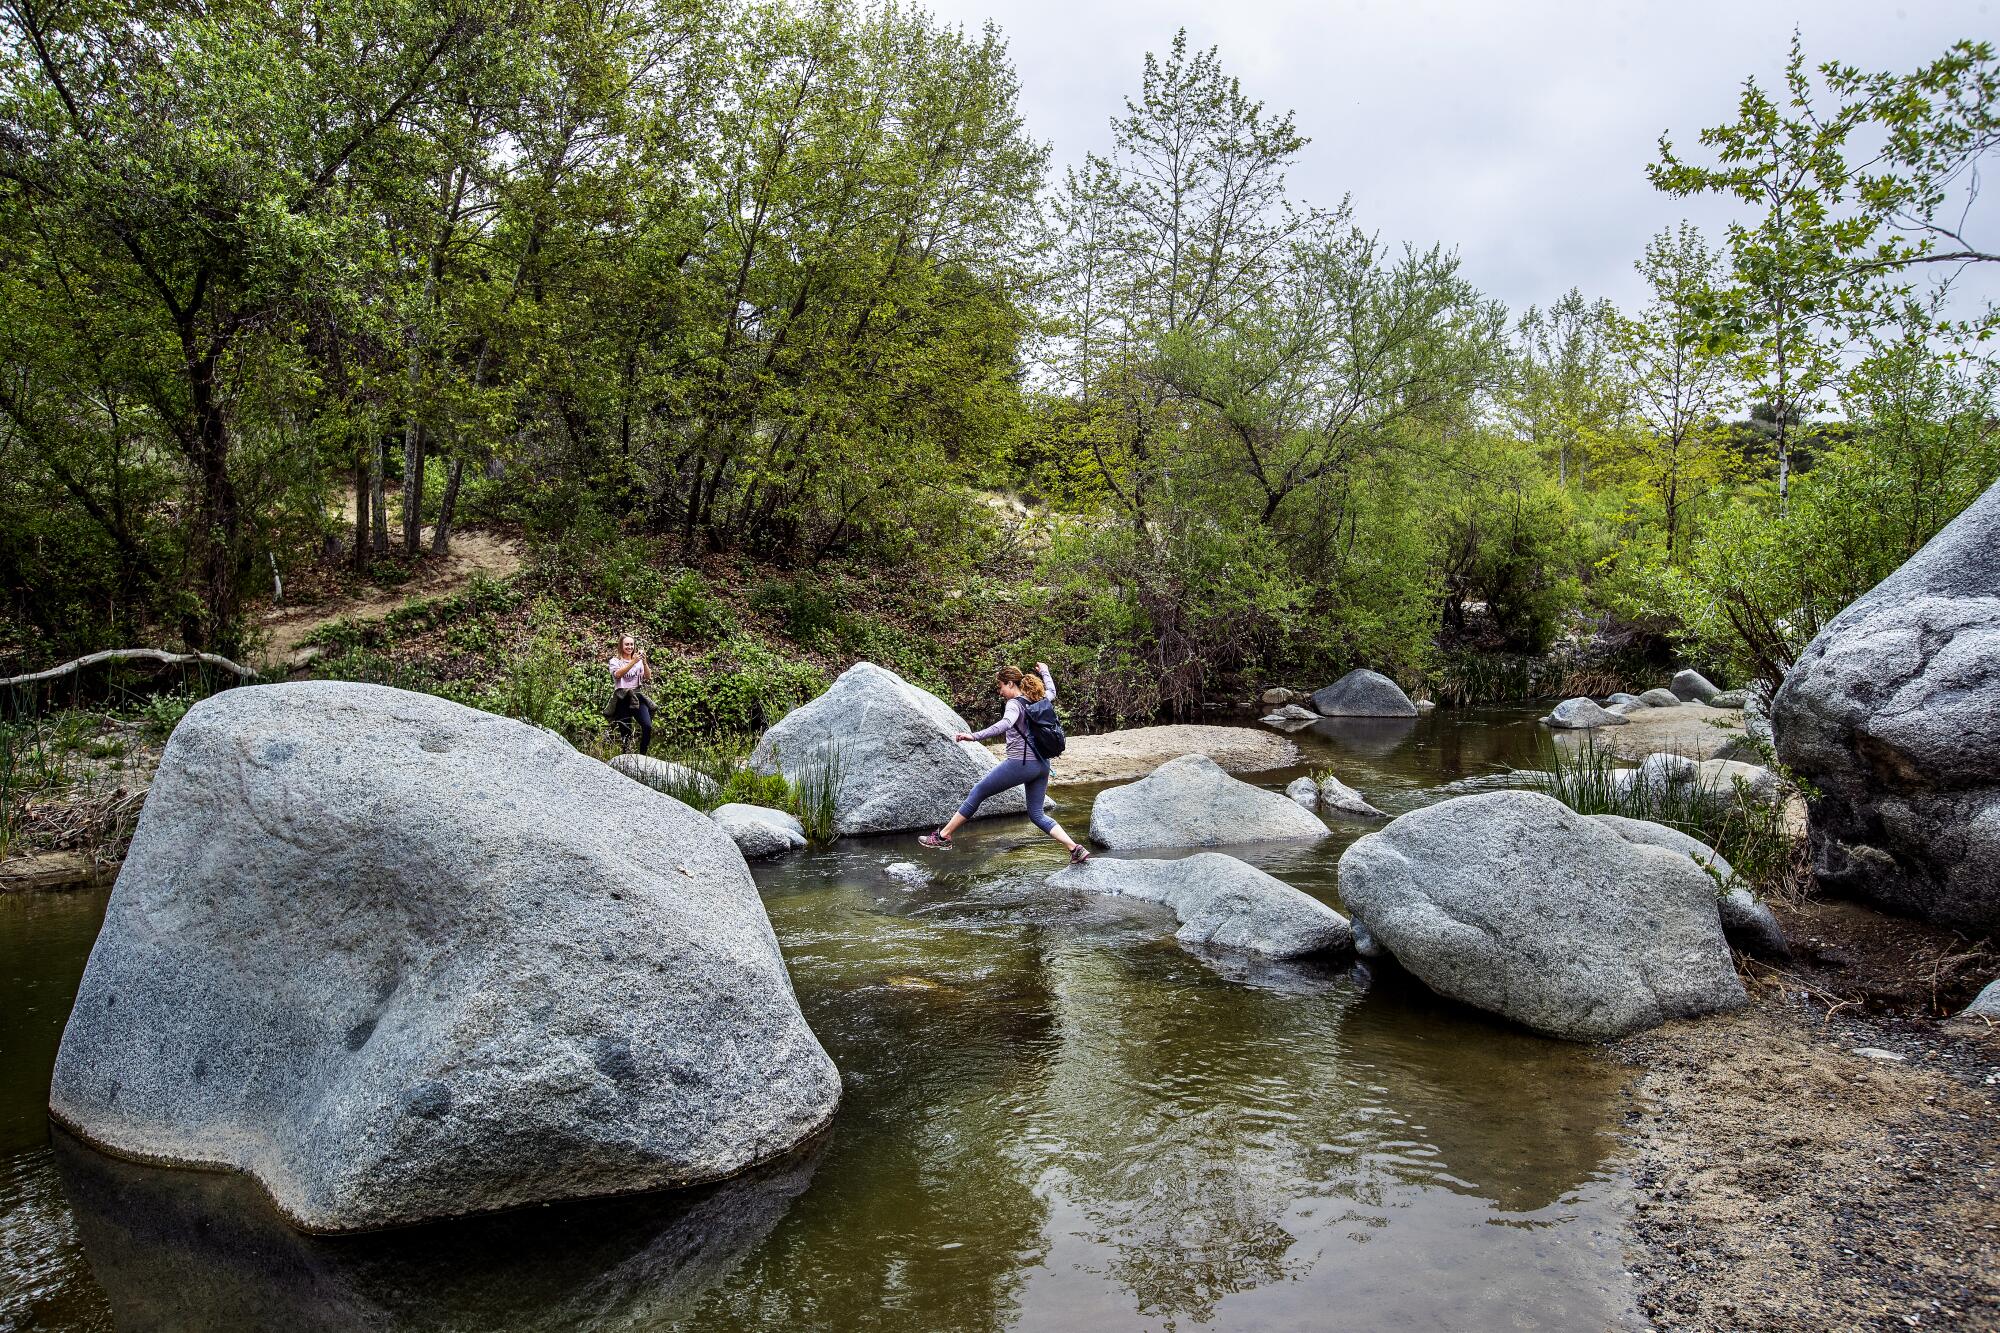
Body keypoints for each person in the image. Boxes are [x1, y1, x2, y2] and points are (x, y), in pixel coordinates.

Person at [919, 663, 1090, 863]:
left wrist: (973, 736)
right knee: (1036, 815)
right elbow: (1052, 690)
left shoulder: (1014, 704)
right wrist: (1044, 671)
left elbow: (1006, 723)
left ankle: (943, 836)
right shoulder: (1038, 699)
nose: (1000, 691)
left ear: (1011, 683)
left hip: (1021, 764)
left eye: (1001, 686)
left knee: (978, 791)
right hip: (1043, 765)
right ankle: (1075, 848)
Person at [606, 634, 653, 755]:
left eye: (632, 644)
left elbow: (648, 677)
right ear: (621, 646)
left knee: (647, 725)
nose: (630, 647)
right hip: (622, 697)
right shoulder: (615, 661)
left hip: (637, 696)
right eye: (627, 644)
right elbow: (618, 675)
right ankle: (626, 759)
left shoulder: (638, 662)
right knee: (626, 733)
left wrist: (644, 662)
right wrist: (633, 661)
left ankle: (643, 755)